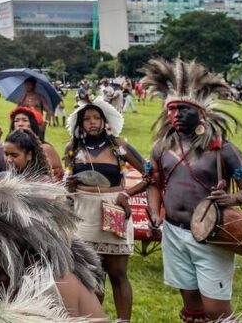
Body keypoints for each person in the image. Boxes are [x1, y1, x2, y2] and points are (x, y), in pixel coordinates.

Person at [143, 59, 242, 323]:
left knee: (217, 311)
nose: (176, 115)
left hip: (211, 233)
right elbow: (154, 183)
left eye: (183, 109)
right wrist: (154, 214)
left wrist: (230, 198)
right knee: (192, 307)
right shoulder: (161, 148)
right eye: (171, 109)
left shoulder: (224, 149)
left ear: (201, 113)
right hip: (173, 232)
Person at [62, 96, 146, 323]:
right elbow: (66, 183)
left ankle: (123, 321)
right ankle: (94, 319)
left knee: (117, 273)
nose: (92, 122)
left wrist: (126, 194)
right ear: (80, 124)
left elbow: (150, 174)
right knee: (90, 274)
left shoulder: (118, 146)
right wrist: (69, 186)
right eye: (87, 119)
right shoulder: (73, 148)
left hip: (113, 209)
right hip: (83, 213)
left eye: (96, 118)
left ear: (104, 121)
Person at [5, 105, 63, 178]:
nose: (20, 124)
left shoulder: (45, 148)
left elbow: (58, 174)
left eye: (25, 120)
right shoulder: (9, 147)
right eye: (16, 121)